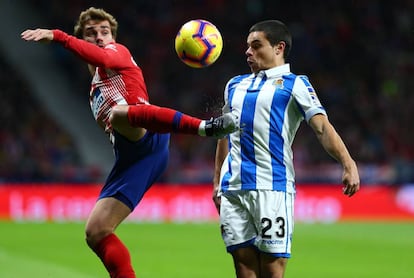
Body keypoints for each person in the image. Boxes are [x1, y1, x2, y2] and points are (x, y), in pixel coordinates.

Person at [21, 7, 237, 278]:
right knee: (96, 231)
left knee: (118, 113)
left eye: (105, 31)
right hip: (131, 157)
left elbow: (100, 56)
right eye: (91, 33)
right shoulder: (94, 88)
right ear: (82, 40)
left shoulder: (117, 53)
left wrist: (57, 36)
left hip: (148, 136)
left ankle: (207, 127)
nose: (100, 37)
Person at [212, 20, 360, 278]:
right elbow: (224, 134)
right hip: (233, 189)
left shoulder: (295, 84)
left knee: (272, 269)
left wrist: (348, 164)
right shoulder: (234, 85)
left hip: (273, 187)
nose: (248, 52)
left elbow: (322, 128)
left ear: (279, 48)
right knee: (243, 267)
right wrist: (217, 183)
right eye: (247, 46)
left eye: (256, 46)